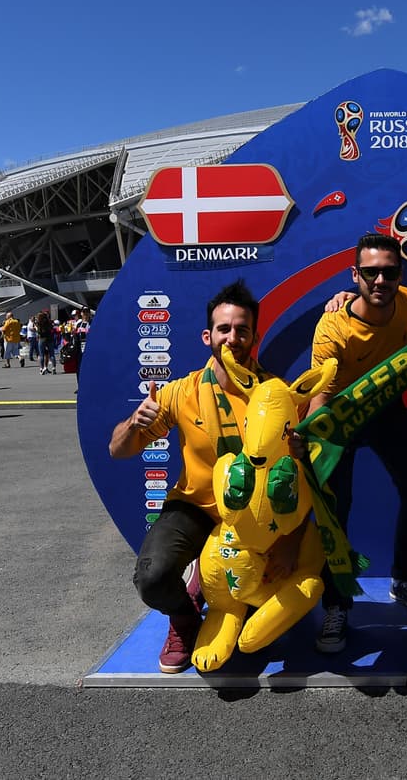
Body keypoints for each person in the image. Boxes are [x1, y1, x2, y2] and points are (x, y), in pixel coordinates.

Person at [109, 280, 296, 674]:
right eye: (224, 329)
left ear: (254, 336)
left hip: (253, 517)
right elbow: (118, 450)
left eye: (241, 329)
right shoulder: (181, 391)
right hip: (194, 507)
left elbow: (297, 475)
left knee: (281, 602)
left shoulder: (273, 394)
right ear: (207, 336)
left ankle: (226, 593)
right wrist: (133, 424)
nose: (232, 338)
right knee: (153, 579)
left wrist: (289, 541)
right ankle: (185, 616)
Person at [308, 234, 407, 654]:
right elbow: (321, 392)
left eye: (389, 271)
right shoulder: (333, 324)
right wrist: (311, 440)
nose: (380, 279)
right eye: (370, 272)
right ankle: (337, 605)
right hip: (340, 417)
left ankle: (402, 580)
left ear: (401, 274)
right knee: (335, 507)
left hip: (386, 408)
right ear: (355, 275)